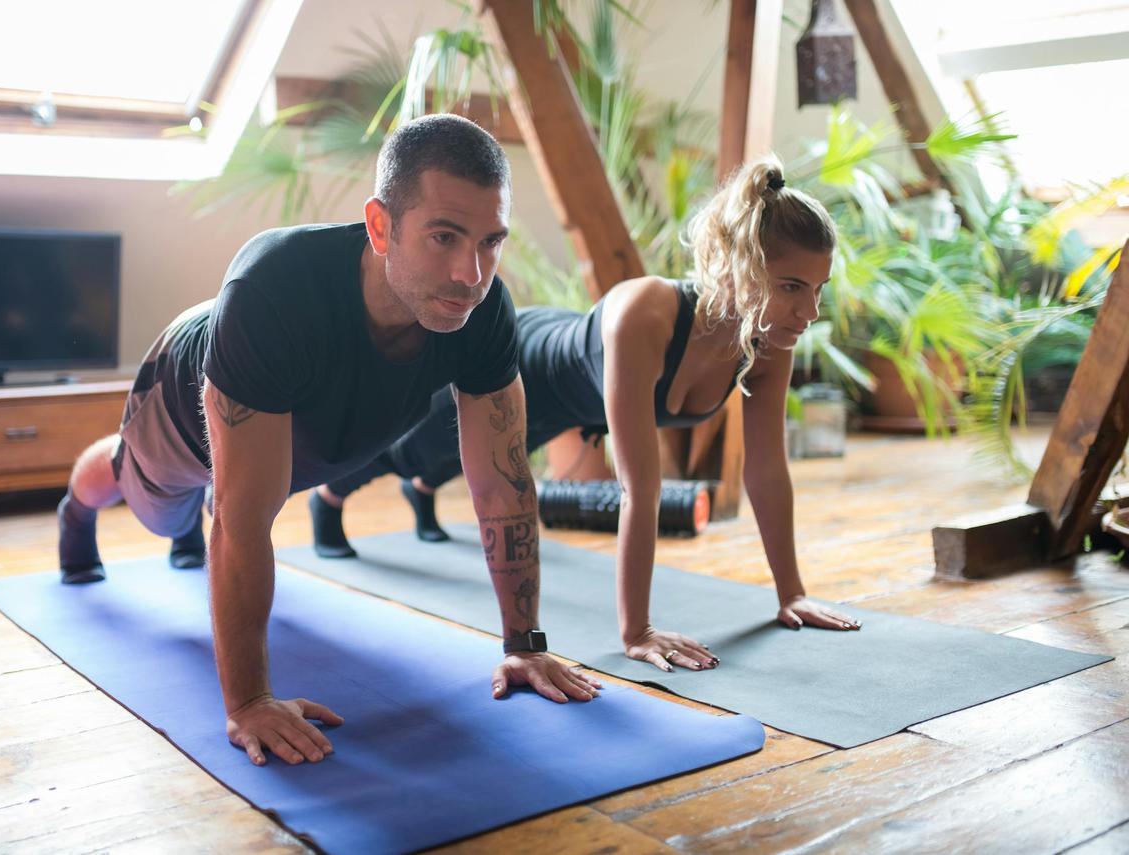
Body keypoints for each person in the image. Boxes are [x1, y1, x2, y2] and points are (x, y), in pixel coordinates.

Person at [55, 114, 601, 768]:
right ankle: (76, 509)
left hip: (297, 427)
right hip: (182, 393)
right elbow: (242, 514)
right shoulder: (277, 287)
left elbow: (503, 486)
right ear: (380, 226)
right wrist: (250, 698)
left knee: (237, 492)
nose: (470, 272)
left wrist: (527, 641)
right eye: (444, 237)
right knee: (150, 499)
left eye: (490, 242)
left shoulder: (481, 312)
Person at [312, 155, 862, 674]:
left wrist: (792, 594)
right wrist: (638, 631)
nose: (809, 312)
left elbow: (765, 471)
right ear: (740, 267)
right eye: (791, 287)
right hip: (529, 359)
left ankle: (423, 490)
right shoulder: (645, 314)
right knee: (414, 445)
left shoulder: (767, 339)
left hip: (573, 405)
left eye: (817, 290)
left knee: (449, 461)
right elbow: (638, 489)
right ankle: (328, 498)